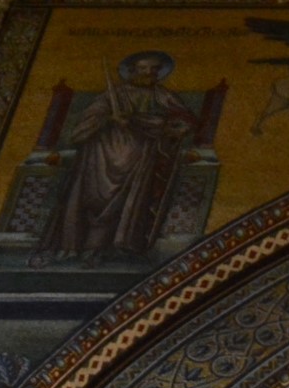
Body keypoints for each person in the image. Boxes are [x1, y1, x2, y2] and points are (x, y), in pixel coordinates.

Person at [42, 50, 199, 263]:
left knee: (127, 205)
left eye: (153, 69)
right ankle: (73, 247)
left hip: (139, 157)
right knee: (88, 199)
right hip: (101, 156)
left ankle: (108, 248)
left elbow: (185, 120)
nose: (148, 73)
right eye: (143, 68)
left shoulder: (162, 95)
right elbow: (85, 124)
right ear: (132, 71)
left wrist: (148, 123)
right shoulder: (113, 95)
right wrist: (109, 118)